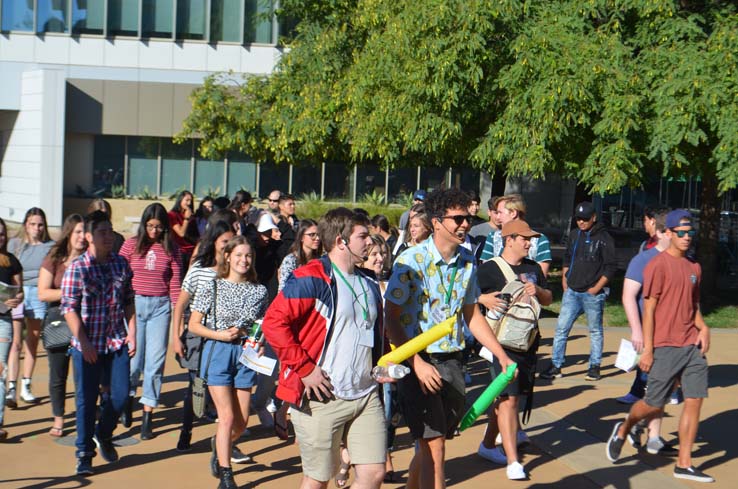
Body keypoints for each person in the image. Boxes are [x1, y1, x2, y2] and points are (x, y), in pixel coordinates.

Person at [385, 188, 516, 489]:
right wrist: (416, 363)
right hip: (420, 362)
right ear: (436, 222)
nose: (465, 225)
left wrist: (501, 354)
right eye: (457, 218)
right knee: (435, 446)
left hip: (454, 362)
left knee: (435, 440)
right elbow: (391, 318)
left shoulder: (469, 261)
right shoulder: (411, 260)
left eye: (467, 219)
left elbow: (471, 314)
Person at [262, 208, 390, 489]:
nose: (369, 242)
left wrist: (382, 364)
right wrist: (305, 369)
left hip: (366, 394)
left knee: (373, 474)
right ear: (341, 241)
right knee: (318, 480)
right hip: (322, 397)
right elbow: (273, 323)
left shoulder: (368, 282)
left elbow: (370, 332)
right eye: (362, 236)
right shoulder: (312, 277)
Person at [606, 210, 714, 483]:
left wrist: (703, 327)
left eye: (691, 232)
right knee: (654, 403)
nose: (687, 237)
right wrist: (649, 349)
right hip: (665, 345)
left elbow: (693, 306)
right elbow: (649, 310)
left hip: (692, 345)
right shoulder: (655, 265)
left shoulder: (694, 268)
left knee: (694, 401)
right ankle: (625, 427)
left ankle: (684, 464)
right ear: (668, 233)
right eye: (681, 232)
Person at [188, 235, 268, 489]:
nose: (244, 260)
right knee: (226, 418)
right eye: (239, 255)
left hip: (246, 354)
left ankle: (219, 445)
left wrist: (261, 341)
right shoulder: (211, 286)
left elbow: (261, 325)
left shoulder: (260, 290)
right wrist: (219, 334)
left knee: (242, 420)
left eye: (248, 256)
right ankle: (226, 474)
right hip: (218, 351)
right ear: (228, 257)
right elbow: (193, 325)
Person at [61, 210, 136, 475]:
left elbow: (128, 299)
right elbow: (69, 308)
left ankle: (103, 433)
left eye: (110, 231)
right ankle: (84, 453)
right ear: (90, 237)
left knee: (120, 396)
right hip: (87, 347)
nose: (108, 236)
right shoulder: (77, 268)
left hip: (116, 342)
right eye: (102, 232)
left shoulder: (120, 264)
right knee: (86, 400)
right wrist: (84, 341)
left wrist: (133, 331)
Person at [475, 220, 552, 480]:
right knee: (510, 399)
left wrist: (539, 290)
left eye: (530, 239)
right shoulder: (488, 270)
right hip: (499, 344)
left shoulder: (532, 268)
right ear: (509, 239)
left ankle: (487, 445)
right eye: (525, 239)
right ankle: (513, 461)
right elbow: (465, 298)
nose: (530, 243)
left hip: (527, 343)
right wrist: (482, 298)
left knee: (507, 398)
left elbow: (550, 298)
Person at [614, 207, 678, 455]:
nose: (683, 236)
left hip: (676, 335)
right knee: (657, 387)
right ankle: (652, 435)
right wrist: (637, 331)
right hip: (652, 335)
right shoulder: (643, 260)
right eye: (676, 231)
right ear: (663, 233)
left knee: (666, 387)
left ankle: (639, 426)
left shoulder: (683, 260)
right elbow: (629, 296)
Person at [172, 220, 235, 453]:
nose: (228, 246)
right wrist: (176, 336)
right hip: (198, 337)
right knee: (196, 386)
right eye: (224, 241)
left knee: (225, 387)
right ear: (214, 242)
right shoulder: (199, 269)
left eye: (231, 241)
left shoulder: (236, 269)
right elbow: (180, 305)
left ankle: (228, 438)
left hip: (227, 339)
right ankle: (186, 429)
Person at [119, 203, 182, 439]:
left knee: (155, 363)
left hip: (160, 308)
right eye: (150, 226)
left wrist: (179, 320)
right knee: (134, 362)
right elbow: (118, 274)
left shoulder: (172, 250)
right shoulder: (130, 245)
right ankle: (127, 400)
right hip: (133, 307)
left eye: (159, 227)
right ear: (144, 225)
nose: (154, 231)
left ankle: (148, 414)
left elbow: (175, 286)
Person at [254, 218, 321, 436]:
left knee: (298, 372)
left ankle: (283, 410)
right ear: (302, 237)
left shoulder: (321, 261)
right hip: (289, 322)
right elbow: (285, 292)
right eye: (312, 235)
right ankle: (268, 406)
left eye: (318, 235)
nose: (317, 238)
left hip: (311, 323)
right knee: (282, 371)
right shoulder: (291, 261)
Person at [540, 201, 616, 381]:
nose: (581, 222)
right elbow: (567, 258)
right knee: (561, 329)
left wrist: (596, 288)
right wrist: (564, 279)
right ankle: (556, 365)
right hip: (572, 291)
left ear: (594, 218)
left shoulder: (604, 238)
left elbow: (611, 267)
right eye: (578, 219)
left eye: (585, 219)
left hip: (592, 294)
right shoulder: (574, 235)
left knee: (595, 331)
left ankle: (594, 366)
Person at [37, 214, 87, 438]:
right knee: (58, 375)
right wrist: (71, 292)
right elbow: (42, 292)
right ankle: (59, 418)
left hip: (85, 324)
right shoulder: (55, 257)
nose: (82, 237)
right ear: (69, 233)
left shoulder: (90, 259)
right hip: (58, 323)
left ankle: (84, 415)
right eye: (77, 232)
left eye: (84, 232)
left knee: (83, 375)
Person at [5, 207, 55, 406]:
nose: (37, 228)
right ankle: (11, 388)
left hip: (38, 293)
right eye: (33, 224)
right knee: (15, 342)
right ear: (26, 224)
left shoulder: (50, 246)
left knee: (32, 342)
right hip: (17, 293)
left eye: (40, 224)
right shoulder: (15, 244)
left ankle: (26, 385)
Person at [479, 194, 552, 276]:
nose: (497, 217)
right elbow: (486, 271)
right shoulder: (493, 237)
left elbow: (540, 278)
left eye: (500, 213)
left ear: (513, 213)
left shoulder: (540, 239)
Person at [0, 218, 23, 441]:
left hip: (3, 322)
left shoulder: (12, 261)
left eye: (2, 234)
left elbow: (19, 291)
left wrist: (15, 299)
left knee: (0, 371)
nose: (1, 238)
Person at [250, 213, 282, 301]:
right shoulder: (250, 250)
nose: (267, 236)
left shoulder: (274, 247)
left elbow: (289, 240)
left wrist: (278, 222)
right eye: (263, 233)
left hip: (270, 294)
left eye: (269, 231)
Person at [169, 190, 197, 269]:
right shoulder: (172, 215)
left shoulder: (192, 216)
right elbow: (181, 233)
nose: (189, 203)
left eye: (191, 201)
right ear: (180, 200)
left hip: (191, 251)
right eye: (187, 200)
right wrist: (186, 219)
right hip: (180, 251)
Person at [276, 193, 300, 260]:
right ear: (281, 206)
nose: (293, 206)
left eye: (293, 204)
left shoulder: (296, 221)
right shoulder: (277, 222)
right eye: (290, 204)